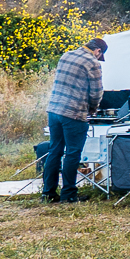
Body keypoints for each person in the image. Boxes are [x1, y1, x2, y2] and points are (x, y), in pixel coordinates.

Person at [44, 37, 107, 204]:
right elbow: (96, 92)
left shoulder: (66, 55)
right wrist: (92, 110)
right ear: (98, 51)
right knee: (72, 153)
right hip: (73, 113)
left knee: (55, 151)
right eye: (99, 56)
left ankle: (48, 193)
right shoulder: (92, 62)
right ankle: (69, 194)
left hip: (54, 110)